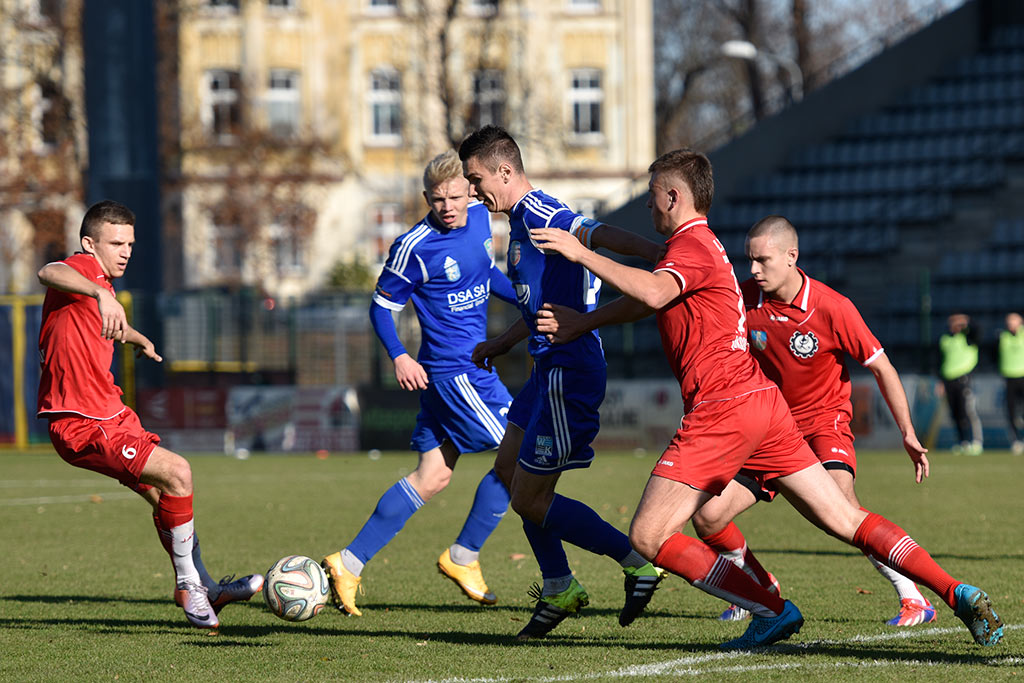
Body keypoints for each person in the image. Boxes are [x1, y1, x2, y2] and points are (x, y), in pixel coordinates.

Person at [530, 148, 1003, 649]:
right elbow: (650, 293)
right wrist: (585, 315)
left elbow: (650, 292)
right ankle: (955, 590)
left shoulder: (692, 247)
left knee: (648, 536)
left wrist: (581, 252)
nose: (649, 207)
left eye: (652, 197)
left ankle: (769, 607)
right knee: (835, 519)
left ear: (673, 196)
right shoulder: (697, 250)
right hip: (765, 407)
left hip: (724, 409)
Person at [459, 125, 665, 640]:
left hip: (567, 372)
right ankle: (558, 586)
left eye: (475, 178)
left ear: (504, 172)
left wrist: (662, 256)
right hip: (543, 370)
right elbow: (538, 302)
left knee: (531, 498)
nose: (471, 190)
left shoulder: (540, 211)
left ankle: (635, 563)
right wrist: (504, 342)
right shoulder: (520, 224)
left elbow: (595, 231)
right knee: (509, 473)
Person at [688, 215, 935, 626]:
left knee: (841, 507)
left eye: (762, 260)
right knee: (708, 516)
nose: (752, 270)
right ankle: (759, 586)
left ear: (791, 257)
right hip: (767, 426)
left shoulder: (832, 307)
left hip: (823, 424)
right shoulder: (743, 300)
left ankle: (913, 598)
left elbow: (883, 368)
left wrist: (907, 433)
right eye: (749, 260)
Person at [37, 200, 263, 630]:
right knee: (179, 473)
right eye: (116, 242)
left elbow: (101, 323)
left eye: (130, 244)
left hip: (111, 412)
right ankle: (188, 586)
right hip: (81, 422)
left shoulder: (100, 284)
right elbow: (48, 271)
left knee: (165, 498)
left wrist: (134, 336)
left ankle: (207, 586)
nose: (126, 251)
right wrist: (101, 293)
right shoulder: (82, 270)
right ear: (89, 243)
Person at [321, 150, 518, 616]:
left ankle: (348, 563)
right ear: (426, 197)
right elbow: (381, 308)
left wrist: (529, 300)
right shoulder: (414, 246)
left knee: (433, 476)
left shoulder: (478, 220)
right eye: (436, 199)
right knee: (522, 450)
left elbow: (487, 275)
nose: (447, 206)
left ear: (470, 191)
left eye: (454, 196)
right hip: (453, 373)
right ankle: (464, 553)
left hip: (469, 369)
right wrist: (399, 355)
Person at [939, 313, 983, 455]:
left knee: (967, 411)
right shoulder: (945, 339)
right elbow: (940, 361)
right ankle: (962, 442)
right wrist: (940, 381)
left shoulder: (968, 337)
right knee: (955, 413)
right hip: (948, 379)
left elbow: (978, 331)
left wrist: (967, 322)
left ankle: (974, 441)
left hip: (963, 378)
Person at [997, 312, 1024, 455]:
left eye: (1013, 321)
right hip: (1009, 377)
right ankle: (1016, 441)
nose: (1010, 324)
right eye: (1009, 322)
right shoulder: (1002, 336)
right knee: (1011, 411)